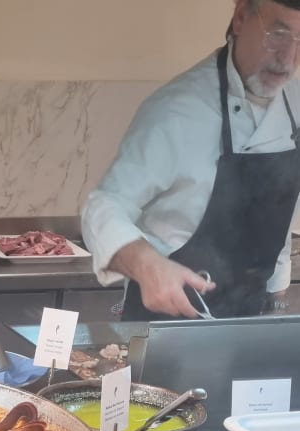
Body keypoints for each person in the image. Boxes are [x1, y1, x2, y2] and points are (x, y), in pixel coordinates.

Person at [81, 0, 300, 320]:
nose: (288, 59)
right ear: (241, 17)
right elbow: (102, 205)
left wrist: (276, 304)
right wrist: (146, 264)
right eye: (278, 34)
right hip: (166, 324)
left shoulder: (295, 105)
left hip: (248, 325)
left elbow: (278, 213)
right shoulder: (176, 110)